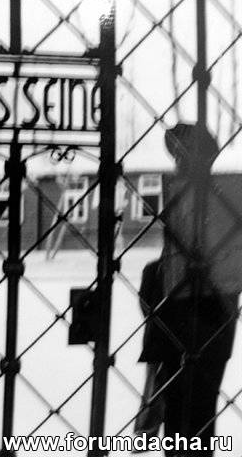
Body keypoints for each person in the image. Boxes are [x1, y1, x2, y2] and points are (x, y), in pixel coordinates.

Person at [147, 123, 239, 456]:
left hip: (193, 311)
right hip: (218, 310)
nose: (178, 163)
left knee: (184, 403)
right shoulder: (229, 196)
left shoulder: (200, 196)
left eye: (180, 156)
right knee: (199, 406)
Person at [133, 259, 165, 441]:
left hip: (156, 335)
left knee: (153, 386)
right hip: (165, 335)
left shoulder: (153, 268)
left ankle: (145, 433)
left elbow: (144, 302)